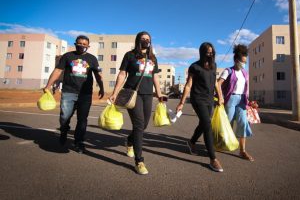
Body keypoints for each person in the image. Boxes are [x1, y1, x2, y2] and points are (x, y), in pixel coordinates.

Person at [109, 31, 164, 175]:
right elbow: (122, 74)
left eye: (148, 39)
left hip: (147, 94)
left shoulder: (152, 58)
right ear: (137, 40)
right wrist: (115, 93)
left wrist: (159, 95)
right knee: (139, 124)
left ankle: (130, 141)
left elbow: (155, 77)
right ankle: (139, 161)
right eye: (143, 39)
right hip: (132, 93)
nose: (146, 41)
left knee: (144, 125)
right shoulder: (130, 55)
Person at [43, 35, 104, 153]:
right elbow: (58, 71)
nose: (82, 46)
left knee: (82, 120)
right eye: (79, 43)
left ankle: (78, 142)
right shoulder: (67, 56)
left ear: (88, 46)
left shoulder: (92, 59)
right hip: (68, 91)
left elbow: (97, 75)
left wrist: (101, 87)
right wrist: (48, 85)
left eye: (84, 44)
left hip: (85, 94)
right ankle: (64, 131)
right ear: (75, 44)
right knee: (65, 117)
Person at [176, 42, 224, 172]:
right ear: (202, 53)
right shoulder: (195, 67)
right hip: (197, 99)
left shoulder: (214, 66)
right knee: (207, 124)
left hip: (209, 100)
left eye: (212, 52)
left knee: (204, 124)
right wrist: (181, 102)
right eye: (208, 52)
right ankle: (213, 159)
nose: (211, 54)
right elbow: (188, 85)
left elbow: (215, 83)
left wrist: (220, 96)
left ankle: (191, 142)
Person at [217, 44, 254, 161]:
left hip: (242, 100)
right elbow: (217, 84)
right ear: (236, 60)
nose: (244, 64)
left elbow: (246, 88)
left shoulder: (245, 73)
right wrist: (220, 97)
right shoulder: (228, 71)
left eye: (245, 62)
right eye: (242, 61)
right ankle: (221, 144)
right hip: (230, 100)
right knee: (228, 123)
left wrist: (250, 101)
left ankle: (242, 151)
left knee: (243, 123)